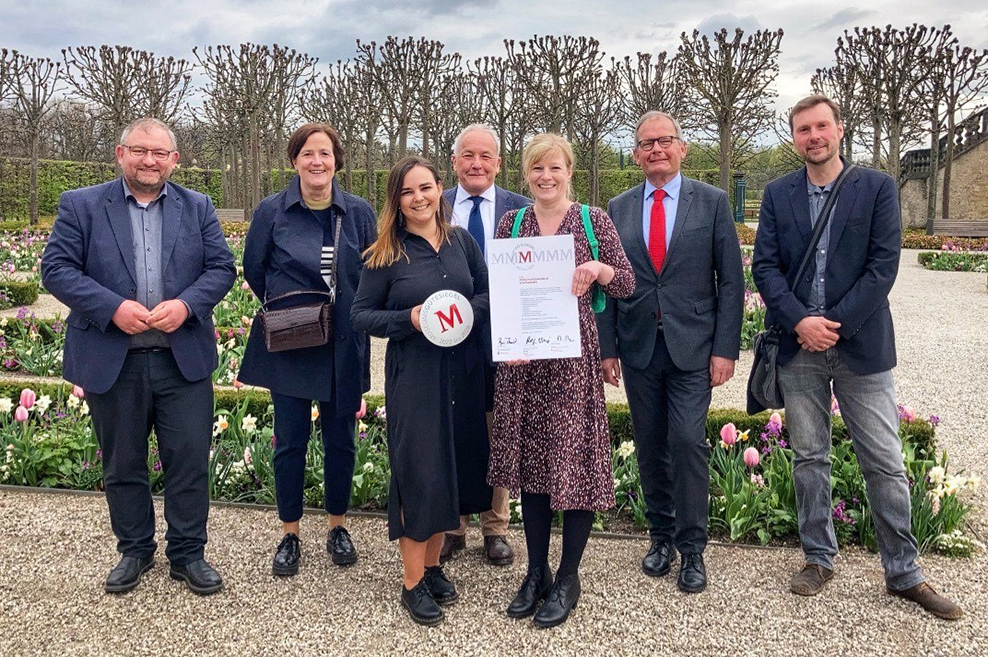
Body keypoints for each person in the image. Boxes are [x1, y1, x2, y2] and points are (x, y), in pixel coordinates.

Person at [752, 94, 962, 620]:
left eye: (821, 126)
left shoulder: (876, 188)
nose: (813, 136)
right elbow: (766, 268)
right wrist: (801, 320)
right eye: (803, 129)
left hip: (860, 346)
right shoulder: (778, 194)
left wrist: (832, 327)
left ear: (839, 129)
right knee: (809, 458)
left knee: (885, 462)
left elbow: (882, 267)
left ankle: (904, 572)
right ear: (795, 136)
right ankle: (819, 558)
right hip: (799, 346)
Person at [41, 117, 236, 595]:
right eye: (140, 151)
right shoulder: (81, 205)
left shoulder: (198, 206)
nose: (149, 160)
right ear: (120, 153)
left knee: (188, 461)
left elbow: (221, 268)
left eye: (159, 153)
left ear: (174, 160)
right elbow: (57, 270)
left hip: (180, 359)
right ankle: (135, 549)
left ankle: (188, 554)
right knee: (123, 462)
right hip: (115, 358)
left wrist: (187, 305)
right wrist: (113, 309)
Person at [488, 134, 634, 628]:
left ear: (569, 171)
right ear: (525, 174)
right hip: (524, 367)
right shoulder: (512, 223)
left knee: (573, 467)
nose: (545, 177)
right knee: (532, 468)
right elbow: (501, 290)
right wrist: (507, 341)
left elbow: (629, 282)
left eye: (554, 168)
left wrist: (599, 267)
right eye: (536, 169)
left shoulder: (593, 221)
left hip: (573, 364)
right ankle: (536, 572)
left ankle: (568, 576)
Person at [596, 111, 744, 594]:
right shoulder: (616, 208)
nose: (656, 149)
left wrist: (725, 349)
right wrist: (607, 347)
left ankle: (693, 548)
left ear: (683, 149)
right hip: (639, 347)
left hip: (693, 349)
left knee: (685, 441)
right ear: (636, 154)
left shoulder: (713, 202)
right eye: (646, 143)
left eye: (665, 141)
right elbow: (609, 283)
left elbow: (732, 281)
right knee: (650, 444)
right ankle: (660, 537)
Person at [350, 156, 492, 626]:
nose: (419, 198)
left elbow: (488, 294)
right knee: (420, 475)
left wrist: (466, 308)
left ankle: (432, 569)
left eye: (426, 187)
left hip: (463, 374)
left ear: (439, 189)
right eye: (409, 191)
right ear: (397, 199)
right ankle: (411, 584)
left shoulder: (462, 242)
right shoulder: (385, 254)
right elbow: (361, 316)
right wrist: (408, 320)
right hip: (416, 377)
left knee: (449, 472)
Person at [238, 123, 377, 576]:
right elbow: (255, 270)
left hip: (344, 344)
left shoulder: (357, 212)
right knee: (290, 441)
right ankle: (290, 533)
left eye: (325, 153)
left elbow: (372, 270)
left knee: (341, 442)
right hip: (294, 341)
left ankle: (337, 525)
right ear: (294, 160)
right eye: (307, 153)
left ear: (337, 160)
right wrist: (296, 311)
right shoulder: (272, 211)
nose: (317, 161)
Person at [440, 124, 528, 566]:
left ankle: (495, 527)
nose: (477, 164)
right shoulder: (430, 205)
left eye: (486, 156)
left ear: (498, 162)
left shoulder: (522, 209)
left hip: (503, 337)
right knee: (452, 428)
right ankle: (453, 526)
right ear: (454, 162)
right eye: (468, 156)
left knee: (498, 431)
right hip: (448, 336)